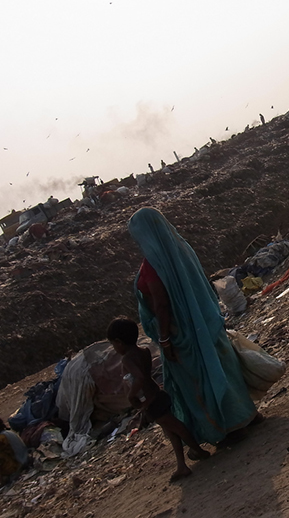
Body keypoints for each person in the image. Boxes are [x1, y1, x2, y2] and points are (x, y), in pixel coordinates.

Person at [127, 207, 260, 448]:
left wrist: (165, 339)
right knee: (222, 368)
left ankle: (226, 428)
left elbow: (162, 304)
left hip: (182, 335)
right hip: (205, 321)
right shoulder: (181, 249)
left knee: (199, 380)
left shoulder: (153, 264)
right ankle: (247, 416)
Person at [107, 317, 210, 482]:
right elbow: (146, 375)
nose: (114, 348)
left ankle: (198, 450)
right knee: (171, 432)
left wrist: (131, 395)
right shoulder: (144, 351)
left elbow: (139, 378)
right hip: (157, 394)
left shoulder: (127, 359)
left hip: (151, 402)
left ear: (119, 342)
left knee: (176, 427)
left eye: (113, 344)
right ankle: (181, 465)